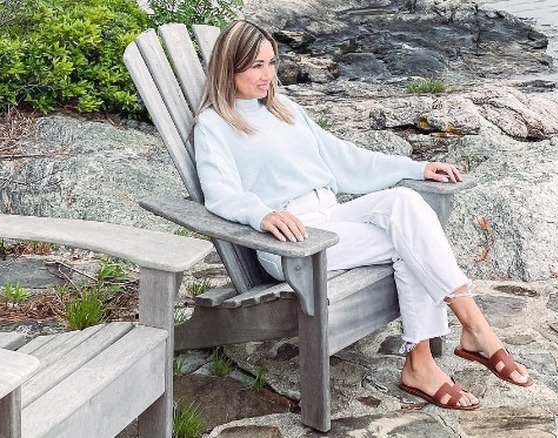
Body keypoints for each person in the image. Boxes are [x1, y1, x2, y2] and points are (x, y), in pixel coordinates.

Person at [193, 20, 532, 410]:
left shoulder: (284, 108)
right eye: (255, 65)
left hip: (331, 215)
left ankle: (458, 341)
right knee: (412, 241)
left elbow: (342, 157)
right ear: (228, 66)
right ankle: (463, 340)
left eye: (271, 63)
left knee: (404, 204)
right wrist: (261, 214)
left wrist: (413, 167)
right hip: (290, 240)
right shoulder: (214, 125)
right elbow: (219, 194)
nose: (268, 74)